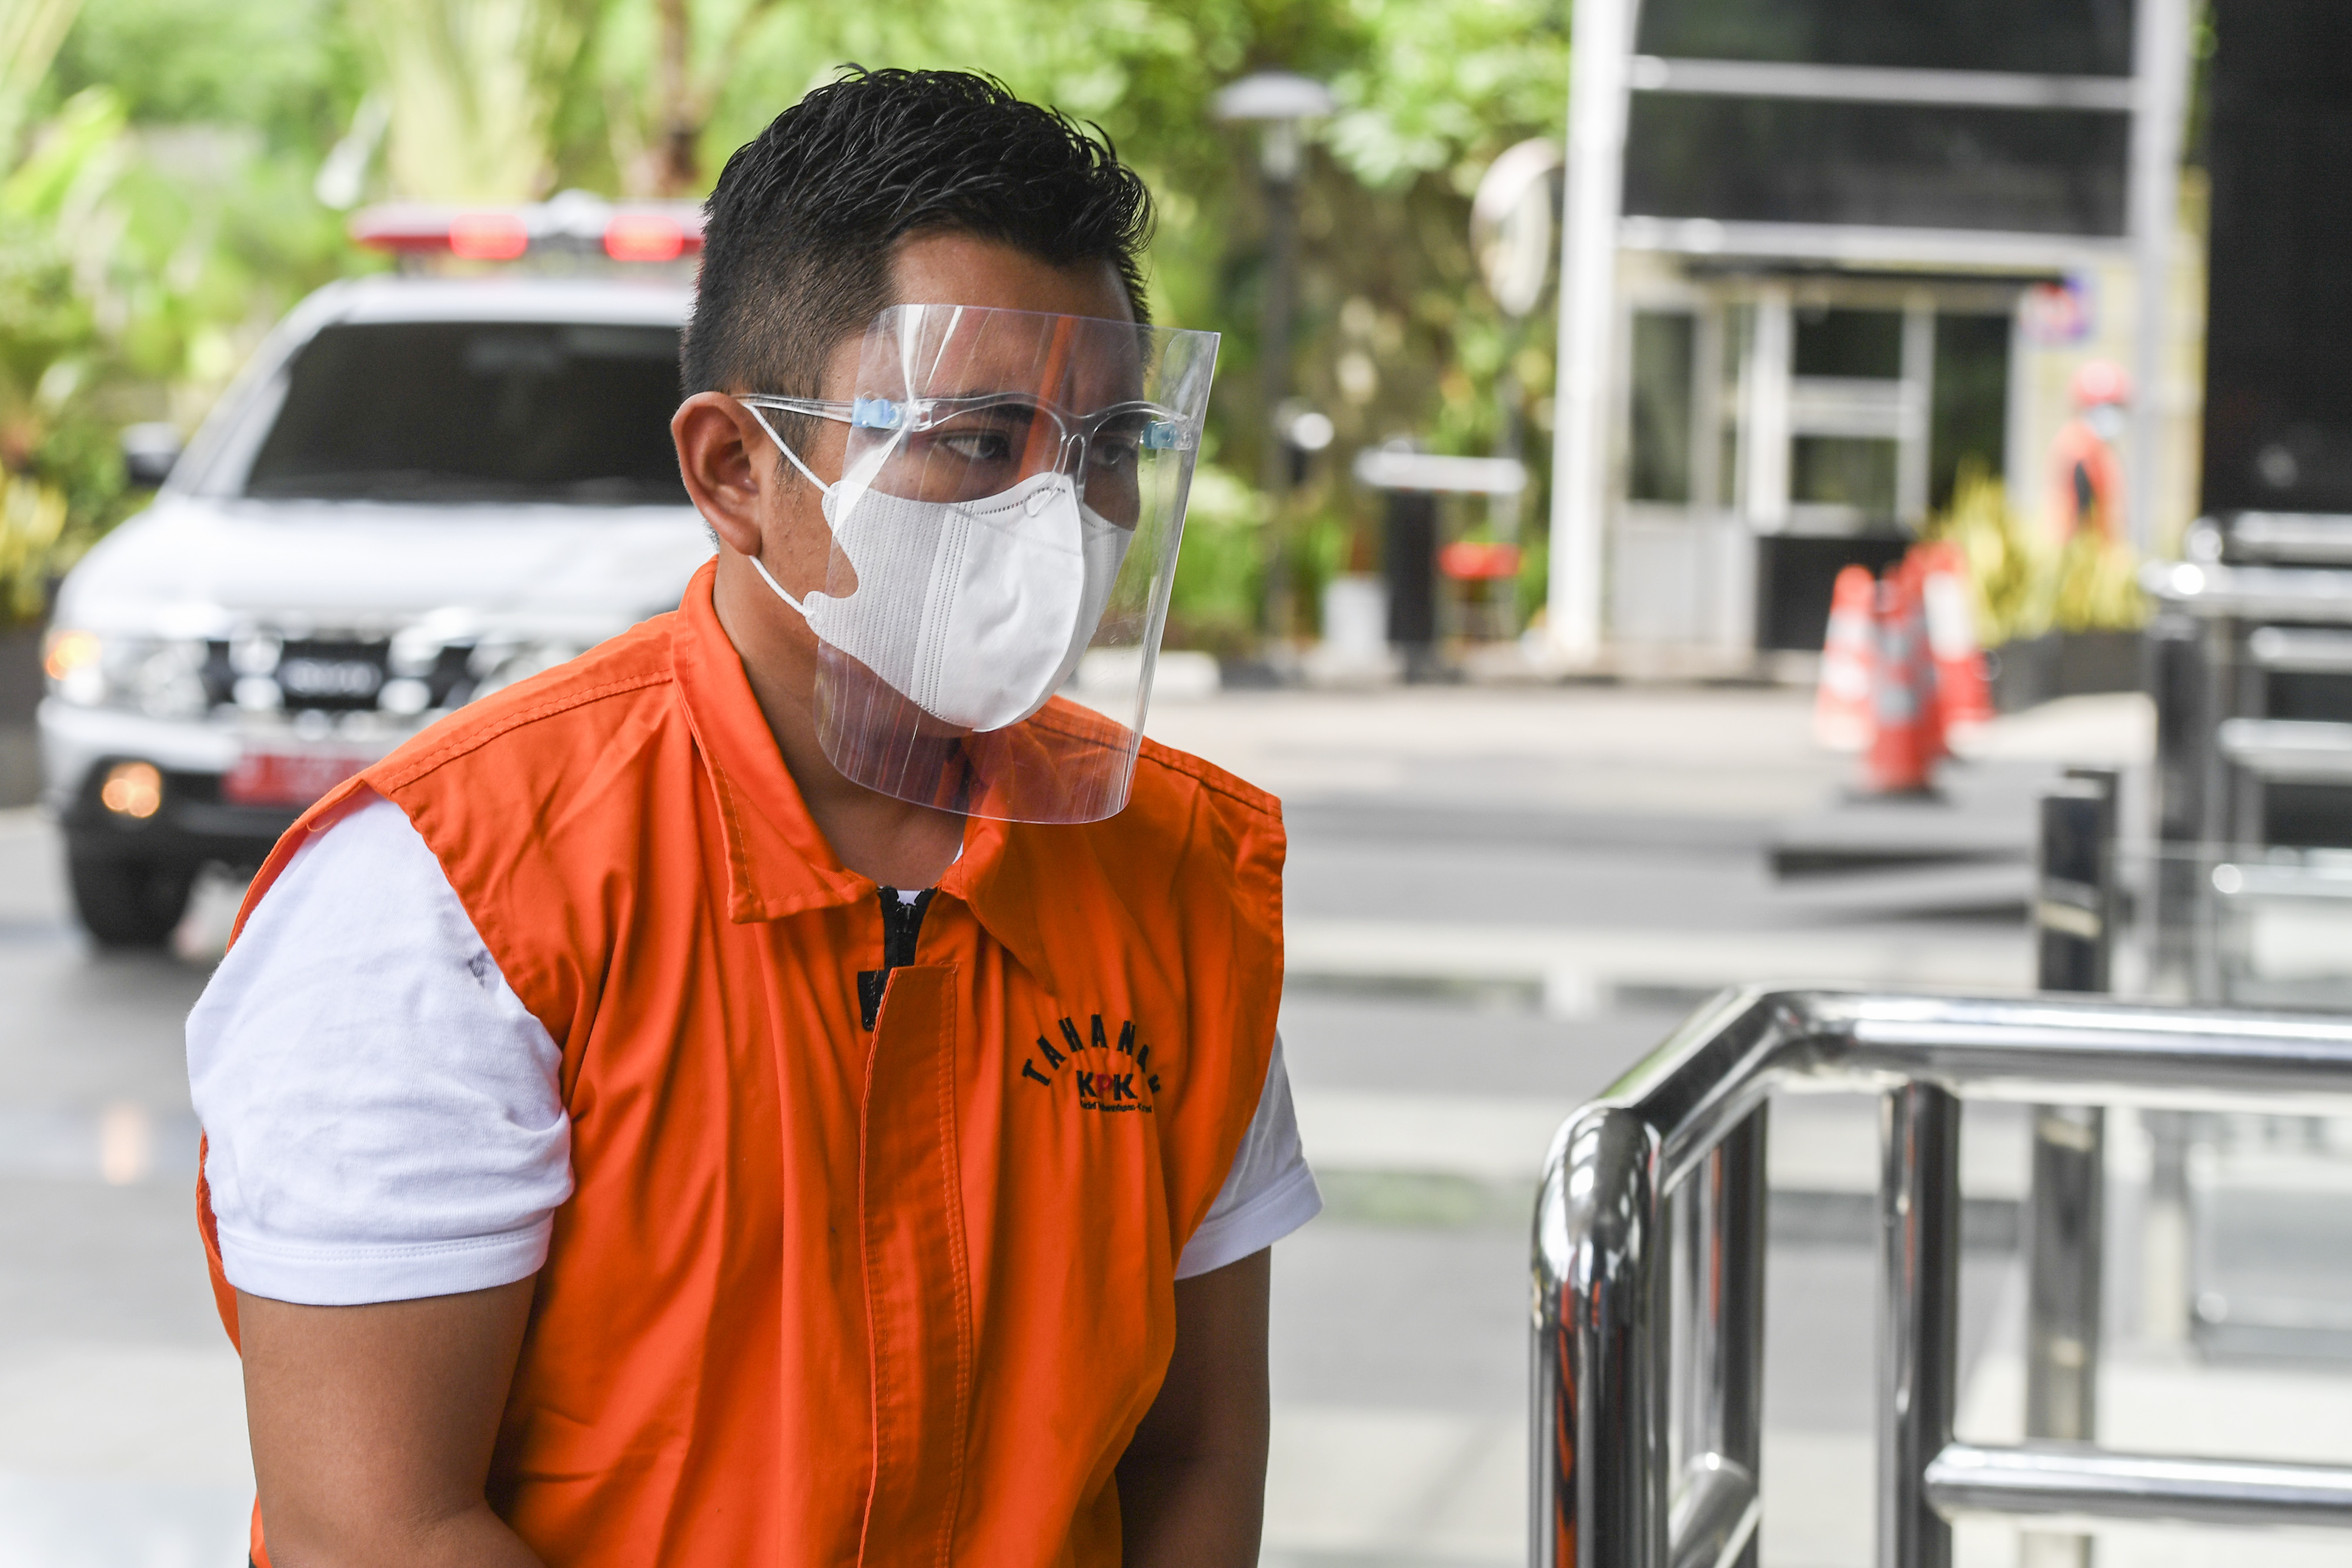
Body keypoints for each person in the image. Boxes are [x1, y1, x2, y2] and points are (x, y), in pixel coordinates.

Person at [187, 68, 1318, 1568]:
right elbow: (375, 1526)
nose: (1064, 516)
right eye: (976, 438)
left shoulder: (1177, 876)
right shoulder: (454, 899)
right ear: (736, 469)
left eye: (1106, 445)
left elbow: (1193, 1447)